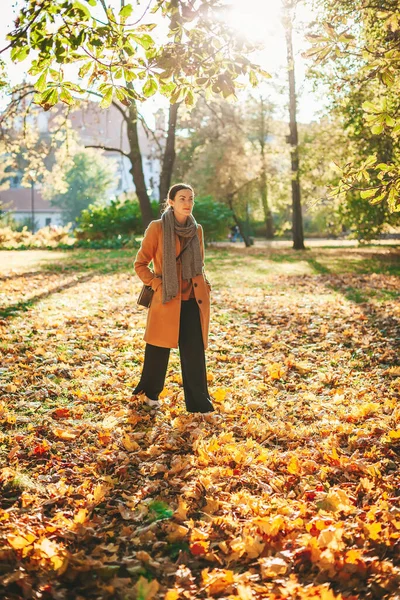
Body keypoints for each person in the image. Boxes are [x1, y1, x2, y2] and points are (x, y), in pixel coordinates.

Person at [132, 183, 215, 415]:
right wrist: (157, 284)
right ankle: (150, 395)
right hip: (166, 298)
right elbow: (140, 264)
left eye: (191, 198)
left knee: (194, 353)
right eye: (182, 199)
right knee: (158, 350)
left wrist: (205, 285)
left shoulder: (196, 230)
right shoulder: (157, 228)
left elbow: (199, 264)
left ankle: (200, 404)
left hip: (191, 298)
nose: (187, 203)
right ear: (170, 202)